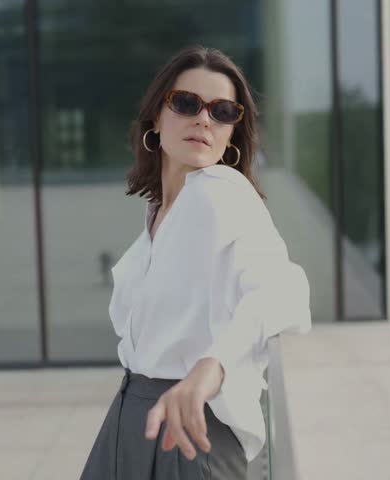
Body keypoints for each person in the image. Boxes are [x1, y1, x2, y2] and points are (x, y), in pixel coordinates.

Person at [80, 45, 311, 480]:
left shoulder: (222, 191)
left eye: (222, 111)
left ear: (231, 134)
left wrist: (213, 365)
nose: (204, 119)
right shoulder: (159, 212)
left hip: (191, 431)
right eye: (186, 103)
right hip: (130, 419)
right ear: (156, 118)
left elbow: (284, 289)